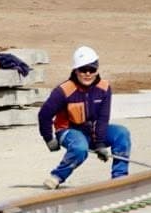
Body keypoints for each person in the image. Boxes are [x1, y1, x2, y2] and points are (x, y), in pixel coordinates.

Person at [37, 46, 132, 188]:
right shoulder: (63, 91)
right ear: (76, 70)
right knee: (80, 148)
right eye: (83, 70)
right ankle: (57, 176)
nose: (87, 74)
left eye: (92, 70)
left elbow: (103, 118)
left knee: (121, 133)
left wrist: (99, 143)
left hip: (92, 132)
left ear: (97, 70)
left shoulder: (104, 88)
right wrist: (49, 138)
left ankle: (119, 178)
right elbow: (44, 114)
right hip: (68, 131)